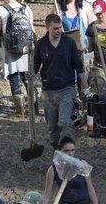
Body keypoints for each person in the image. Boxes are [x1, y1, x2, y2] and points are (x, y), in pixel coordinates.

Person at [33, 13, 90, 149]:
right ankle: (57, 154)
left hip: (67, 89)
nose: (59, 31)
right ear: (47, 28)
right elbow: (35, 65)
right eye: (55, 28)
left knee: (65, 123)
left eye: (60, 28)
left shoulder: (69, 43)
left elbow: (79, 66)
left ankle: (69, 153)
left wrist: (86, 88)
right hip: (48, 90)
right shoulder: (41, 45)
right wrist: (31, 76)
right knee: (52, 128)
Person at [0, 0, 34, 116]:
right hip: (26, 48)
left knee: (14, 76)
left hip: (10, 49)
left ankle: (20, 111)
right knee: (27, 77)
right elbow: (32, 29)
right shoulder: (26, 8)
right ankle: (34, 107)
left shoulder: (1, 11)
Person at [58, 0, 91, 67]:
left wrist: (91, 45)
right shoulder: (59, 9)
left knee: (84, 72)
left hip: (84, 47)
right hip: (67, 48)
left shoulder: (84, 6)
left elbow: (91, 26)